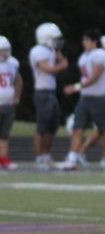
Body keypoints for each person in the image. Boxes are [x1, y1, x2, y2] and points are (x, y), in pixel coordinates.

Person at [56, 29, 105, 170]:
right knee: (78, 128)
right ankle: (72, 159)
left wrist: (75, 87)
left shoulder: (100, 54)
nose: (83, 43)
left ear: (93, 41)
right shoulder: (84, 56)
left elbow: (94, 77)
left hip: (98, 97)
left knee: (103, 129)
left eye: (85, 40)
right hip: (85, 97)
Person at [29, 22, 69, 170]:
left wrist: (59, 56)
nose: (57, 41)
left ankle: (46, 155)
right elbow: (48, 69)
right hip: (42, 92)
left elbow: (60, 63)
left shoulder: (50, 50)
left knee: (53, 125)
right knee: (42, 126)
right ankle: (39, 157)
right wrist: (61, 65)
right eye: (54, 38)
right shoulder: (38, 51)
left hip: (51, 92)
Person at [0, 36, 22, 170]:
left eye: (6, 50)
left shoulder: (13, 63)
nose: (4, 53)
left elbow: (19, 81)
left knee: (4, 135)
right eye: (2, 50)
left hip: (8, 104)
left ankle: (3, 159)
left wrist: (16, 97)